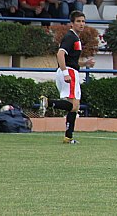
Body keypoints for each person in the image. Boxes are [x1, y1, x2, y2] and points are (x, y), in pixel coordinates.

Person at [40, 10, 96, 144]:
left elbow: (71, 59)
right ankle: (48, 102)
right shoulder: (71, 37)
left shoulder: (75, 37)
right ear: (72, 23)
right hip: (69, 72)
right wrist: (65, 73)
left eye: (83, 21)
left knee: (74, 106)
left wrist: (84, 63)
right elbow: (60, 54)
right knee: (74, 106)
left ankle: (68, 137)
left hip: (70, 70)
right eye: (78, 21)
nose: (81, 24)